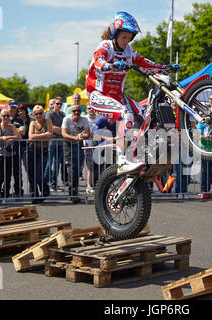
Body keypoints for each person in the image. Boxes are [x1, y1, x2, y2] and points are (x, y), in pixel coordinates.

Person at [86, 11, 172, 175]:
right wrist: (110, 66)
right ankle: (122, 159)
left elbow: (143, 62)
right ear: (115, 33)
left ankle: (144, 153)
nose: (126, 41)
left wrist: (164, 67)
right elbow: (98, 60)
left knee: (146, 114)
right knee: (126, 115)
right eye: (123, 37)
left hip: (117, 98)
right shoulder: (105, 46)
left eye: (129, 37)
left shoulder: (129, 52)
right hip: (98, 95)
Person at [0, 108, 20, 204]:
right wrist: (1, 138)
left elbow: (18, 136)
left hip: (10, 155)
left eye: (7, 116)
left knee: (8, 176)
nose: (6, 118)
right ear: (0, 117)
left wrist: (9, 137)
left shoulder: (12, 127)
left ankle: (5, 196)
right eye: (4, 116)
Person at [62, 104, 90, 203]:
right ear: (71, 112)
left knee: (78, 169)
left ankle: (74, 192)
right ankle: (72, 193)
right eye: (74, 111)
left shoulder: (84, 119)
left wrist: (82, 136)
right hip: (68, 145)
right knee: (71, 169)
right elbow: (64, 133)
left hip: (78, 145)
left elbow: (87, 133)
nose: (76, 113)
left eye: (78, 111)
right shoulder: (66, 119)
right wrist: (75, 138)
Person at [28, 105, 53, 204]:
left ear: (43, 113)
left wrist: (36, 136)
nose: (38, 115)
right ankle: (34, 195)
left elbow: (50, 134)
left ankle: (45, 191)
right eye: (36, 114)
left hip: (43, 150)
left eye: (40, 113)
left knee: (39, 173)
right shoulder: (32, 123)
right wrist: (44, 135)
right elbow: (30, 136)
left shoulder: (48, 121)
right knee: (31, 174)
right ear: (34, 115)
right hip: (32, 150)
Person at [44, 97, 66, 192]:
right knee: (49, 164)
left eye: (61, 104)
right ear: (53, 104)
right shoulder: (49, 114)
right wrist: (63, 131)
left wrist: (61, 131)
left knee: (57, 165)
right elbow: (50, 127)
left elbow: (66, 127)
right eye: (57, 103)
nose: (59, 105)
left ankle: (54, 184)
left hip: (61, 142)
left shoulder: (63, 114)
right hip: (52, 142)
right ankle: (44, 183)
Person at [7, 100, 25, 197]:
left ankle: (18, 191)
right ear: (8, 107)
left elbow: (22, 132)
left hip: (17, 149)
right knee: (7, 172)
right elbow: (1, 132)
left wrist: (11, 132)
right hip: (5, 150)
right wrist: (15, 132)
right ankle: (6, 191)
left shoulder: (20, 120)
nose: (13, 109)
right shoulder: (3, 118)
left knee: (17, 172)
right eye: (11, 107)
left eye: (14, 107)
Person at [83, 103, 102, 195]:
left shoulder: (99, 119)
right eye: (89, 108)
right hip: (88, 145)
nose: (91, 110)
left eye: (93, 108)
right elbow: (82, 130)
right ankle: (89, 185)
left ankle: (98, 186)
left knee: (99, 166)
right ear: (86, 110)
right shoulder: (85, 119)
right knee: (90, 167)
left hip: (98, 145)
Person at [17, 105, 32, 176]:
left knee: (28, 168)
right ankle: (20, 186)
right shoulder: (16, 120)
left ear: (25, 111)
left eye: (22, 110)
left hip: (27, 147)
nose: (20, 112)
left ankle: (32, 185)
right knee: (17, 169)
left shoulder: (31, 120)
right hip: (17, 146)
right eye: (19, 111)